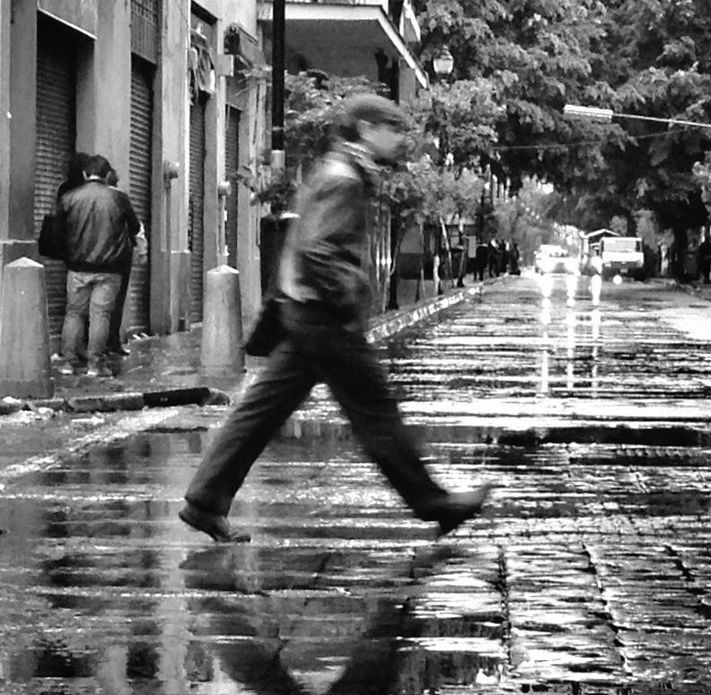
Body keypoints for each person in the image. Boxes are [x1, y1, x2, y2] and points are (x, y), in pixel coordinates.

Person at [179, 94, 493, 543]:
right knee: (376, 412)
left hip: (304, 311)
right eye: (394, 128)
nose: (401, 138)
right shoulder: (344, 177)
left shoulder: (336, 170)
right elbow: (318, 249)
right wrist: (349, 294)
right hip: (324, 316)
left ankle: (205, 500)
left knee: (262, 411)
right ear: (366, 128)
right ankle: (433, 503)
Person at [55, 154, 142, 377]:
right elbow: (134, 227)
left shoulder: (69, 197)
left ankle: (68, 363)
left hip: (77, 267)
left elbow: (59, 231)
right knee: (100, 315)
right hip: (109, 268)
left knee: (73, 313)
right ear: (107, 175)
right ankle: (95, 365)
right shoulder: (119, 199)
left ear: (85, 174)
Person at [105, 168, 147, 357]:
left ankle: (78, 351)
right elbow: (135, 226)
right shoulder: (120, 198)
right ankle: (110, 343)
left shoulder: (78, 195)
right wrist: (142, 251)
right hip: (116, 259)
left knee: (80, 308)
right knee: (114, 303)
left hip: (83, 259)